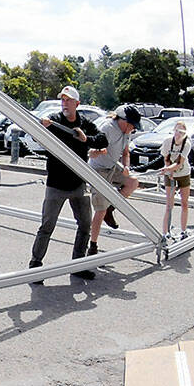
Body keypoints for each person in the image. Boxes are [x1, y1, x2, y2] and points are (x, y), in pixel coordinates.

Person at [28, 86, 106, 282]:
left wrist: (86, 138)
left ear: (77, 104)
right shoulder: (54, 120)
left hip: (78, 184)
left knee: (85, 225)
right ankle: (35, 266)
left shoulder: (84, 123)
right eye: (62, 100)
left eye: (68, 100)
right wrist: (42, 129)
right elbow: (35, 135)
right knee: (47, 225)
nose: (65, 103)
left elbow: (102, 140)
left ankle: (78, 265)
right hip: (56, 184)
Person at [85, 104, 142, 256]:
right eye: (131, 125)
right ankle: (93, 245)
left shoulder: (127, 132)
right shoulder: (107, 128)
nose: (132, 129)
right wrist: (96, 152)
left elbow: (125, 153)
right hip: (98, 169)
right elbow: (90, 151)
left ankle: (111, 207)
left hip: (113, 167)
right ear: (123, 120)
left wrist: (126, 166)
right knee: (100, 209)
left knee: (132, 182)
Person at [159, 120, 193, 240]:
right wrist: (169, 172)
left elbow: (179, 163)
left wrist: (170, 169)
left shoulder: (187, 144)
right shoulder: (168, 141)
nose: (178, 134)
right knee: (169, 204)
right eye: (176, 131)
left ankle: (183, 230)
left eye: (181, 132)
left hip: (183, 173)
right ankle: (165, 232)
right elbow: (166, 158)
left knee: (184, 202)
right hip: (169, 173)